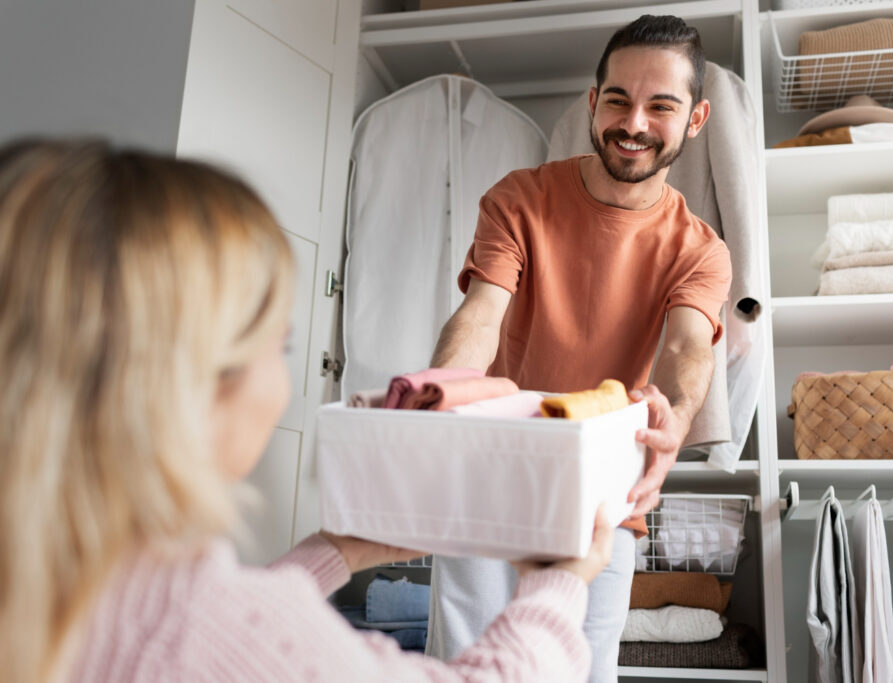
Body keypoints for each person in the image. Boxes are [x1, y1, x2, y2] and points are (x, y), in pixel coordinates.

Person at [0, 138, 614, 683]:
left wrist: (334, 551)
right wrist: (556, 584)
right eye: (279, 345)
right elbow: (224, 638)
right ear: (190, 383)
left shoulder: (53, 589)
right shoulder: (207, 632)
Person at [426, 15, 732, 681]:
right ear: (593, 102)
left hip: (604, 489)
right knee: (466, 667)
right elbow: (481, 315)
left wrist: (674, 421)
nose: (635, 123)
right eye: (618, 99)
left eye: (661, 106)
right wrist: (435, 399)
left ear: (696, 118)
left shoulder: (699, 248)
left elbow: (687, 348)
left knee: (579, 670)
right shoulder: (519, 199)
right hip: (488, 471)